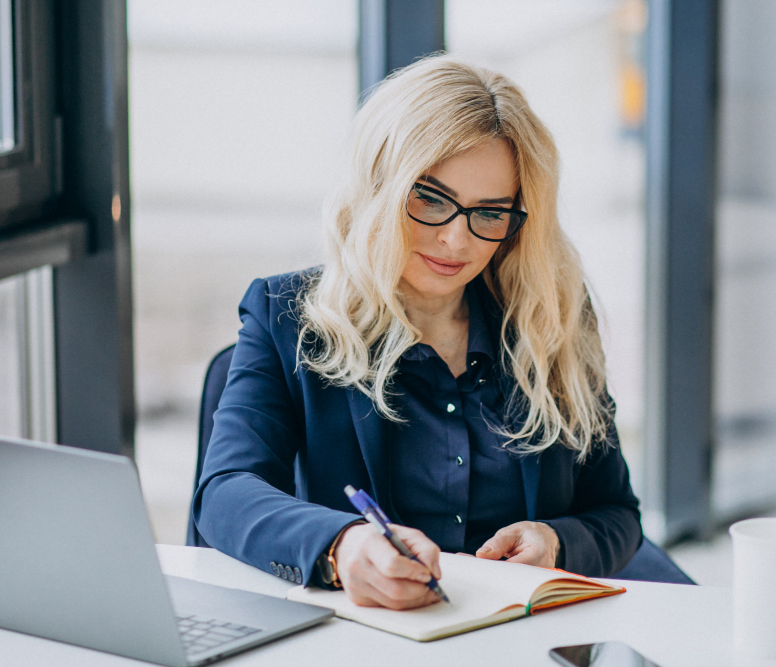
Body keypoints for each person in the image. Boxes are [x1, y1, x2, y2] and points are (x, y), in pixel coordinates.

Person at [193, 55, 641, 611]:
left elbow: (617, 514)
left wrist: (558, 543)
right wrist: (342, 546)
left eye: (490, 212)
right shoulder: (287, 316)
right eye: (430, 198)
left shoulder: (553, 319)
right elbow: (225, 493)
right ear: (379, 185)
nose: (457, 240)